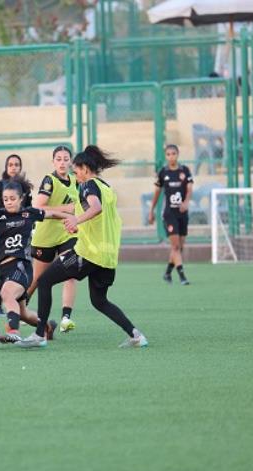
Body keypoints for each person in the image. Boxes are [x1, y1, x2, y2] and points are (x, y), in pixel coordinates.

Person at [17, 145, 149, 349]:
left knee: (44, 281)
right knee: (99, 301)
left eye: (76, 169)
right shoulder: (107, 187)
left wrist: (77, 221)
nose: (74, 173)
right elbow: (93, 212)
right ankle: (136, 335)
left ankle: (39, 334)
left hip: (87, 253)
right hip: (107, 257)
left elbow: (95, 208)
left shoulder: (88, 185)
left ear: (85, 168)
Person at [0, 173, 62, 339]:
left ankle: (13, 332)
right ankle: (47, 327)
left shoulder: (28, 213)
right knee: (22, 312)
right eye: (5, 199)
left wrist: (74, 218)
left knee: (7, 294)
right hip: (4, 270)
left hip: (21, 266)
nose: (9, 202)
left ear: (21, 198)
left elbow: (51, 214)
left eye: (12, 198)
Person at [27, 145, 80, 333]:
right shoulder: (49, 180)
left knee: (71, 271)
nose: (62, 162)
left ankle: (66, 318)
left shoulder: (75, 181)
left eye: (66, 159)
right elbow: (39, 206)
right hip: (45, 236)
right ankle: (19, 311)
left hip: (68, 234)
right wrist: (66, 210)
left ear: (71, 162)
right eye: (58, 159)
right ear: (53, 162)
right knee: (37, 278)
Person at [0, 154, 31, 317]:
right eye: (10, 164)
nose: (13, 167)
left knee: (18, 270)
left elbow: (30, 210)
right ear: (6, 167)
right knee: (5, 269)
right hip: (1, 233)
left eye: (17, 164)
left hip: (21, 232)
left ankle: (16, 307)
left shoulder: (25, 189)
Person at [148, 144, 194, 285]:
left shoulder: (185, 171)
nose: (171, 156)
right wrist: (151, 211)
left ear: (178, 154)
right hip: (169, 214)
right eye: (168, 154)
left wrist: (186, 202)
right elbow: (156, 193)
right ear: (166, 156)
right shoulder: (163, 172)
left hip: (182, 214)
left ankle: (168, 273)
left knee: (180, 247)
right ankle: (182, 276)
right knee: (175, 247)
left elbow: (189, 189)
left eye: (173, 153)